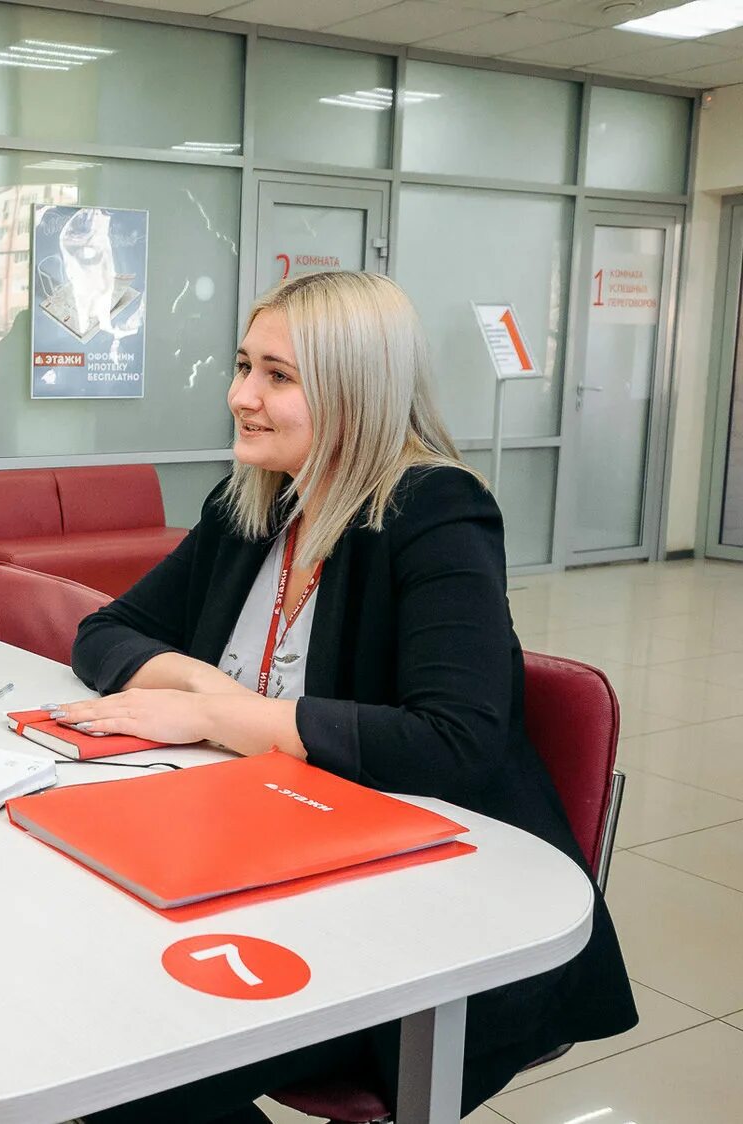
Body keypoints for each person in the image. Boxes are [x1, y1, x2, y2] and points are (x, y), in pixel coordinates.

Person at [61, 271, 636, 1123]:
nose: (241, 396)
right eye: (243, 365)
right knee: (85, 994)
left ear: (355, 390)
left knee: (127, 1063)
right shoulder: (253, 502)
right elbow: (103, 635)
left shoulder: (436, 511)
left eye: (278, 376)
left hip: (427, 914)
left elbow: (452, 741)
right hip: (276, 859)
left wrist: (226, 720)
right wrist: (204, 687)